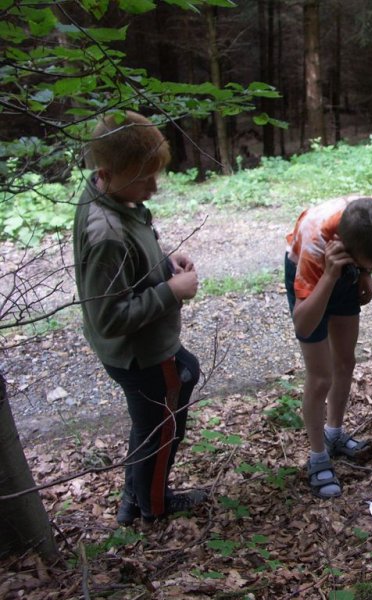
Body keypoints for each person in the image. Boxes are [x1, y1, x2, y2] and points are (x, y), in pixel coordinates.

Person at [73, 111, 206, 524]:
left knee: (155, 414)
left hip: (138, 351)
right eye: (145, 178)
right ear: (107, 173)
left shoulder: (110, 196)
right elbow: (109, 316)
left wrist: (165, 263)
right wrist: (172, 291)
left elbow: (132, 260)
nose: (154, 186)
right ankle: (153, 505)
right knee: (160, 431)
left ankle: (134, 499)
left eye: (155, 175)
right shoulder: (106, 233)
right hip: (141, 354)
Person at [285, 196, 372, 499]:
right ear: (346, 248)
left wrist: (365, 273)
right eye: (366, 264)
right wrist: (331, 275)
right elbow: (303, 325)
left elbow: (368, 248)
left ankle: (333, 434)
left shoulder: (369, 219)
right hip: (316, 271)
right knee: (321, 376)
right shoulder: (314, 245)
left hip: (343, 265)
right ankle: (317, 454)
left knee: (345, 362)